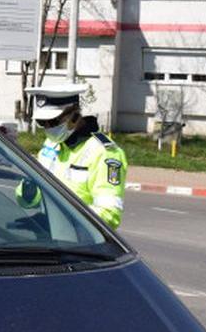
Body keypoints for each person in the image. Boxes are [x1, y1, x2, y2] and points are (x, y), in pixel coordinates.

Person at [17, 83, 127, 229]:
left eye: (54, 121)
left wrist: (64, 221)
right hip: (52, 237)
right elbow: (32, 199)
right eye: (42, 123)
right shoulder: (51, 145)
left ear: (75, 116)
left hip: (83, 243)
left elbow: (109, 214)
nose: (49, 127)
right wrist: (28, 192)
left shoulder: (105, 153)